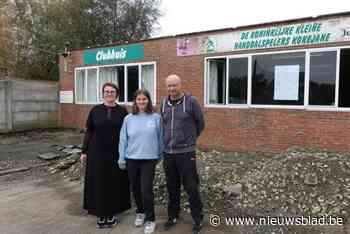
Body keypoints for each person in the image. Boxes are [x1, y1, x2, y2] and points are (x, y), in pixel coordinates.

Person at [80, 82, 131, 228]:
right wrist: (84, 151)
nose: (109, 94)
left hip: (116, 153)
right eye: (107, 91)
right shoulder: (95, 110)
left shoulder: (122, 111)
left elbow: (127, 133)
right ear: (103, 93)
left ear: (117, 94)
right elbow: (89, 131)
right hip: (97, 154)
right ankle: (101, 214)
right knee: (99, 183)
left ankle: (112, 213)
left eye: (112, 91)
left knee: (115, 183)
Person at [160, 74, 205, 234]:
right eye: (169, 86)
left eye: (174, 85)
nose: (172, 88)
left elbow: (201, 123)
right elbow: (163, 124)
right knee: (172, 187)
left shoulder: (191, 102)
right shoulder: (164, 102)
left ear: (180, 85)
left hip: (186, 153)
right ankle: (173, 216)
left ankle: (198, 219)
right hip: (168, 153)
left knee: (191, 187)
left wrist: (190, 140)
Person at [118, 89, 163, 234]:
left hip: (149, 160)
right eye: (139, 99)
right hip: (131, 159)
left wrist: (159, 154)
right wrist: (121, 158)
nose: (141, 102)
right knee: (136, 189)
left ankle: (150, 219)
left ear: (148, 100)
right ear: (135, 101)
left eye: (144, 99)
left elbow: (160, 138)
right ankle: (141, 212)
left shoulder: (156, 118)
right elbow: (123, 139)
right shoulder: (128, 119)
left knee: (146, 190)